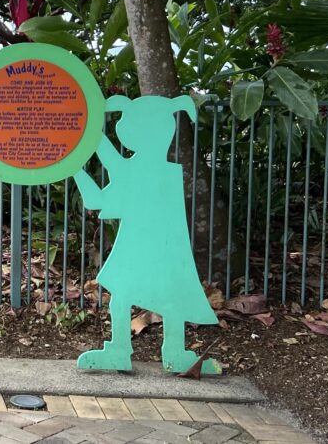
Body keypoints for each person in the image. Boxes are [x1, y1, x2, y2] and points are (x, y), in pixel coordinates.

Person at [73, 95, 220, 375]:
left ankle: (163, 352)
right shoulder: (159, 170)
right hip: (146, 246)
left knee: (159, 299)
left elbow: (111, 173)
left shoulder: (155, 171)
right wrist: (77, 167)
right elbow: (100, 193)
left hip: (151, 247)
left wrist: (83, 149)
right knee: (146, 298)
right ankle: (135, 351)